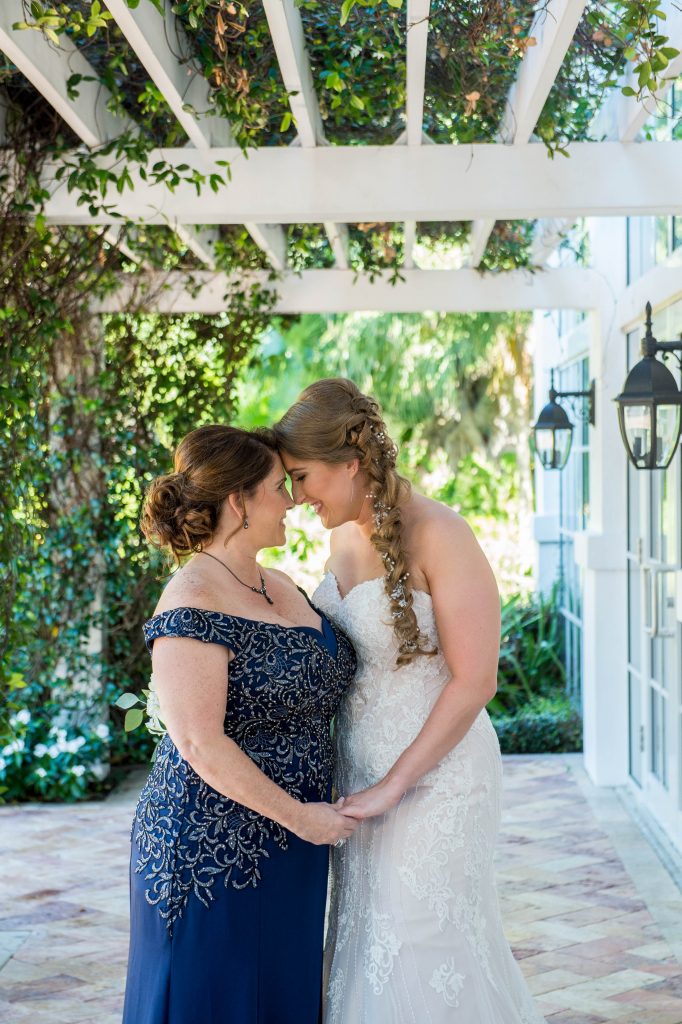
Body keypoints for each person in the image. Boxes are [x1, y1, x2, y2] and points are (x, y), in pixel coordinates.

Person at [275, 380, 546, 1024]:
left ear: (351, 462)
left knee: (427, 942)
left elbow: (476, 681)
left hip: (437, 780)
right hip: (357, 780)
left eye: (301, 476)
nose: (294, 496)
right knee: (366, 945)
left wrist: (395, 784)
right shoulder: (340, 535)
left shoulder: (445, 534)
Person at [122, 424, 358, 1024]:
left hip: (293, 847)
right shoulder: (190, 598)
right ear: (239, 502)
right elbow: (199, 742)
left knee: (280, 995)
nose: (294, 501)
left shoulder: (276, 582)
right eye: (280, 487)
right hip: (212, 851)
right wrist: (304, 817)